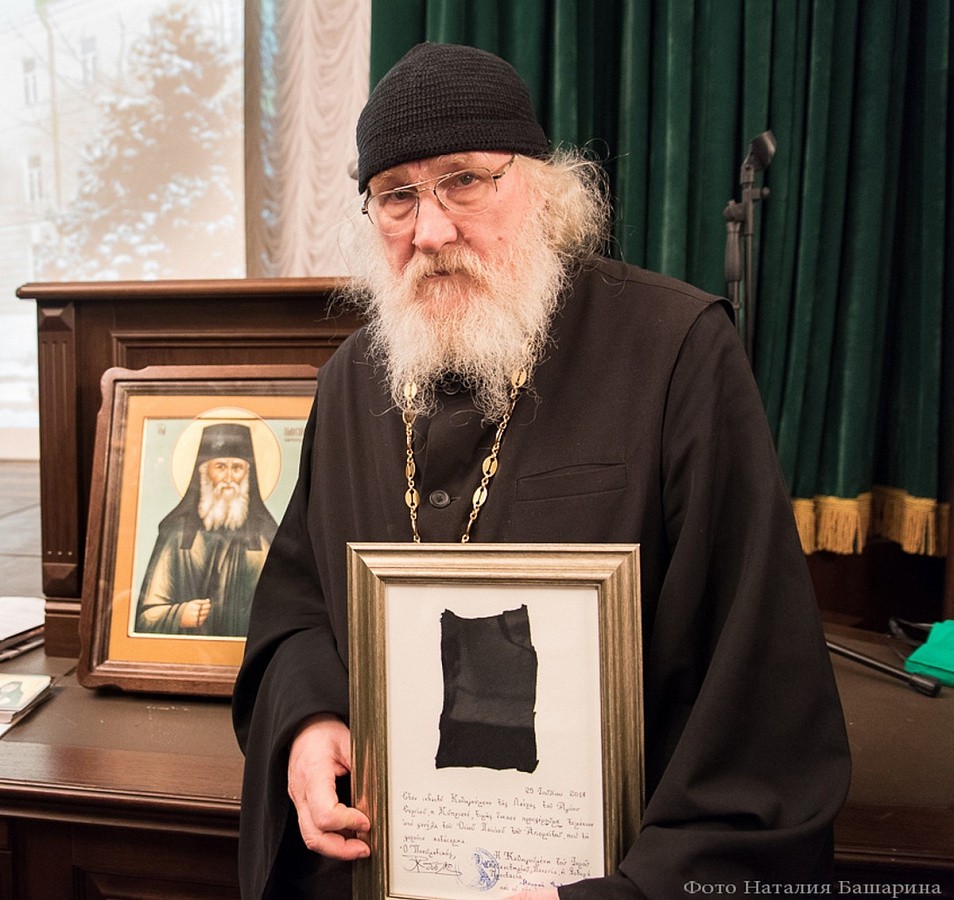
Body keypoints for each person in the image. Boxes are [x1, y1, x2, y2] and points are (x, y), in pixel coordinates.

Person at [232, 42, 850, 899]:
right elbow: (299, 608)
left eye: (464, 182)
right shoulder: (350, 383)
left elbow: (758, 691)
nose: (430, 231)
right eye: (396, 196)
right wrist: (308, 721)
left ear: (544, 190)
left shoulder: (675, 353)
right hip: (379, 863)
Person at [136, 422, 278, 637]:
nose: (229, 478)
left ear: (248, 475)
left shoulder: (265, 536)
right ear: (203, 472)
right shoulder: (177, 533)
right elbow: (146, 617)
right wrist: (180, 615)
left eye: (237, 468)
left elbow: (283, 610)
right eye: (220, 467)